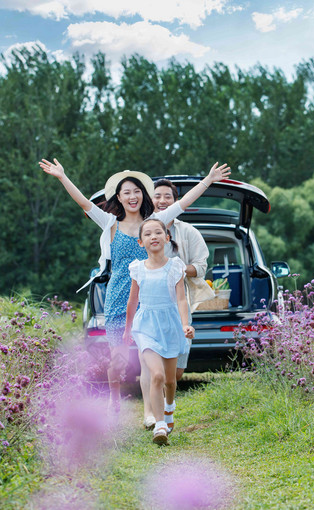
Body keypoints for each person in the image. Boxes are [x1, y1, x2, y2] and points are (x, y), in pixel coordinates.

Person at [38, 158, 231, 415]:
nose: (133, 196)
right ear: (118, 197)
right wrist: (62, 176)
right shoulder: (109, 223)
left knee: (148, 358)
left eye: (137, 191)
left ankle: (152, 412)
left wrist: (207, 180)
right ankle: (114, 399)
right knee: (117, 358)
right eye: (127, 192)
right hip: (118, 297)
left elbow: (183, 203)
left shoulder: (154, 222)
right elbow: (84, 202)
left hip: (151, 298)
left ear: (143, 195)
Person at [139, 178, 214, 430]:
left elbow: (202, 265)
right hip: (150, 310)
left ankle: (165, 408)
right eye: (157, 196)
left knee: (176, 374)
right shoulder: (143, 229)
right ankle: (154, 417)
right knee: (152, 367)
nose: (162, 201)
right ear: (151, 199)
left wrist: (180, 270)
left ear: (175, 200)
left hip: (178, 310)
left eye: (167, 197)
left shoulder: (189, 232)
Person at [123, 218, 195, 445]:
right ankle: (160, 425)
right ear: (141, 241)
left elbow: (182, 300)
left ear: (167, 238)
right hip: (145, 328)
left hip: (170, 326)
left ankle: (170, 409)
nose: (153, 237)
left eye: (158, 233)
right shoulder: (137, 269)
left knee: (171, 381)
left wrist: (185, 324)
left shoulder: (175, 267)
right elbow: (132, 301)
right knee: (156, 375)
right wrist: (128, 330)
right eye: (147, 234)